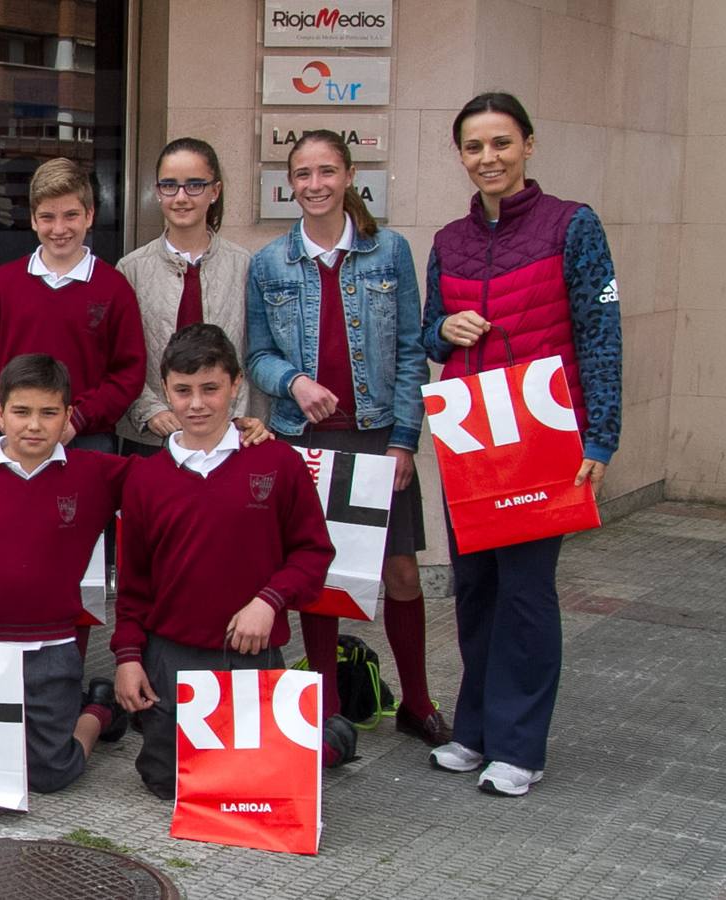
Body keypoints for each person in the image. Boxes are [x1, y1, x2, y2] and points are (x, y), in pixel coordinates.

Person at [422, 92, 621, 798]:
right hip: (472, 435)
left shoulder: (574, 226)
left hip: (543, 435)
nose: (488, 159)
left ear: (528, 145)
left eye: (501, 143)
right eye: (474, 147)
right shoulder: (449, 240)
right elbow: (427, 335)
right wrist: (444, 332)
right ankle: (473, 732)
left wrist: (602, 434)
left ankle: (520, 746)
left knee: (528, 593)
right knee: (475, 589)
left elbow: (601, 336)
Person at [246, 129, 437, 765]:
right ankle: (325, 715)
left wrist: (404, 439)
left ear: (349, 174)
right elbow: (255, 356)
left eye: (328, 171)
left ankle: (418, 702)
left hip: (378, 435)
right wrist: (294, 384)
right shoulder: (270, 262)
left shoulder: (389, 253)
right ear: (289, 183)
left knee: (400, 571)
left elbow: (412, 349)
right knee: (319, 573)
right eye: (304, 173)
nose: (316, 184)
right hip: (306, 440)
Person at [111, 324, 337, 801]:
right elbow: (134, 585)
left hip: (249, 653)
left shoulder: (277, 463)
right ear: (166, 390)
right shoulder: (145, 479)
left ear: (236, 385)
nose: (197, 404)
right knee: (168, 784)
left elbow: (314, 552)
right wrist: (129, 658)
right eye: (183, 390)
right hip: (172, 653)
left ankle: (330, 738)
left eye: (211, 389)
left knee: (253, 788)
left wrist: (269, 602)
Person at [0, 354, 137, 791]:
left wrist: (242, 435)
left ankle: (96, 712)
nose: (34, 425)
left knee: (49, 775)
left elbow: (172, 475)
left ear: (68, 416)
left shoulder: (95, 473)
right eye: (21, 412)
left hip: (51, 644)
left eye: (48, 413)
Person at [0, 157, 145, 453]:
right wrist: (2, 413)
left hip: (85, 438)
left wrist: (79, 420)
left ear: (89, 215)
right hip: (7, 436)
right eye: (47, 217)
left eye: (71, 215)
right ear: (33, 219)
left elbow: (128, 373)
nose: (59, 229)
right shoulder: (4, 283)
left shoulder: (114, 288)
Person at [117, 138, 254, 457]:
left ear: (215, 191)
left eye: (194, 185)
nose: (181, 197)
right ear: (157, 191)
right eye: (170, 186)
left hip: (229, 436)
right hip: (153, 440)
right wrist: (148, 411)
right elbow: (121, 358)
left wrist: (240, 417)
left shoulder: (245, 266)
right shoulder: (131, 270)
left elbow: (254, 353)